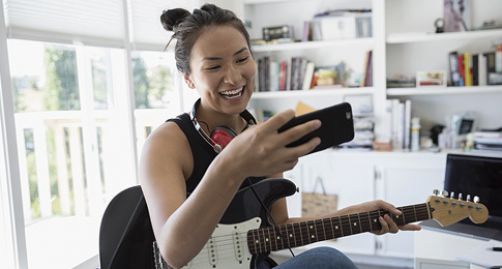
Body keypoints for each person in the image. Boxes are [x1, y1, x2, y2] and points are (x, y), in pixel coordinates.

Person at [140, 4, 421, 269]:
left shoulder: (265, 137)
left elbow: (278, 229)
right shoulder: (167, 142)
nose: (234, 77)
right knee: (327, 261)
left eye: (242, 58)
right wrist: (231, 165)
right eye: (214, 67)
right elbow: (173, 252)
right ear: (188, 77)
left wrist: (356, 216)